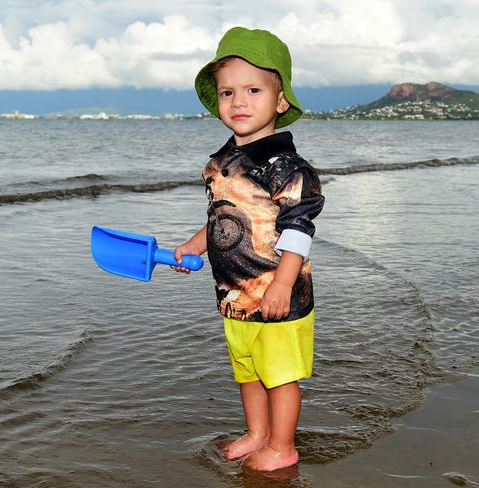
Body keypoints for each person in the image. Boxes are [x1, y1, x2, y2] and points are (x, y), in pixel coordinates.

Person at [173, 26, 324, 472]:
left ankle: (282, 446)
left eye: (253, 89)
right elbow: (221, 217)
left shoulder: (288, 168)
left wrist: (282, 283)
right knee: (247, 370)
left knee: (279, 375)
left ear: (280, 101)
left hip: (279, 296)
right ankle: (258, 433)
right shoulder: (221, 162)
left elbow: (298, 230)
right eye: (227, 92)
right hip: (234, 295)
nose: (238, 102)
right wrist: (195, 246)